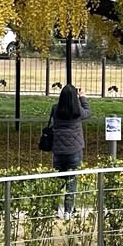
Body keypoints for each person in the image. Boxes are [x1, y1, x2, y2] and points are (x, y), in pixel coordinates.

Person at [48, 83, 90, 215]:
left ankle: (53, 210)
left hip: (58, 149)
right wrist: (82, 97)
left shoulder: (55, 109)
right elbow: (88, 112)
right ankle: (68, 210)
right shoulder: (77, 110)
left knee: (58, 180)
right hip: (75, 150)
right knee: (71, 181)